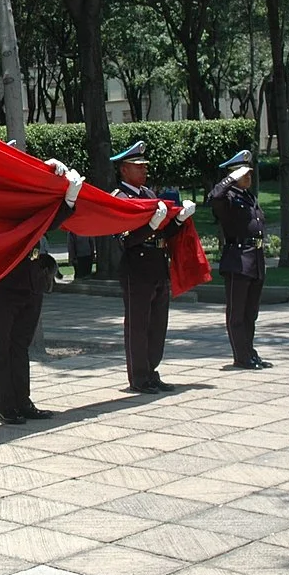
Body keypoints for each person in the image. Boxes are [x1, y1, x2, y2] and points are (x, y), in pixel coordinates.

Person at [0, 161, 84, 424]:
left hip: (30, 281)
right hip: (4, 283)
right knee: (0, 346)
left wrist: (61, 190)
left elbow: (44, 219)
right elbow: (34, 222)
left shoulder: (25, 198)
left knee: (20, 345)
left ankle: (22, 401)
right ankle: (5, 404)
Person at [111, 141, 197, 394]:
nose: (144, 171)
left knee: (158, 324)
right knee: (138, 324)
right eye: (138, 167)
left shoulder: (148, 194)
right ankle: (138, 377)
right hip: (137, 267)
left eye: (145, 166)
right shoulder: (121, 198)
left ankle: (151, 371)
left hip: (158, 264)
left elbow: (164, 232)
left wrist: (179, 220)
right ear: (124, 170)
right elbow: (124, 239)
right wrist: (151, 225)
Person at [209, 150, 272, 370]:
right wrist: (231, 179)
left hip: (255, 259)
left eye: (249, 173)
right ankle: (241, 356)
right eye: (244, 173)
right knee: (237, 313)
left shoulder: (248, 197)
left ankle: (250, 352)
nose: (248, 177)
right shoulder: (227, 198)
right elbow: (214, 196)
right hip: (238, 259)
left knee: (250, 313)